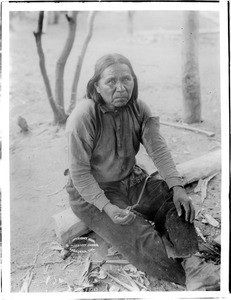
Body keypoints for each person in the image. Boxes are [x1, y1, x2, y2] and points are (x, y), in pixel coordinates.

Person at [65, 53, 220, 291]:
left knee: (174, 202)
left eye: (127, 79)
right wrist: (106, 207)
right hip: (92, 193)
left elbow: (158, 150)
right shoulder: (83, 116)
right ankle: (192, 273)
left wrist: (177, 187)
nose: (121, 87)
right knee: (136, 235)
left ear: (134, 80)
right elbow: (80, 173)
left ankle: (193, 263)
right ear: (96, 85)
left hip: (131, 180)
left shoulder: (140, 109)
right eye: (111, 81)